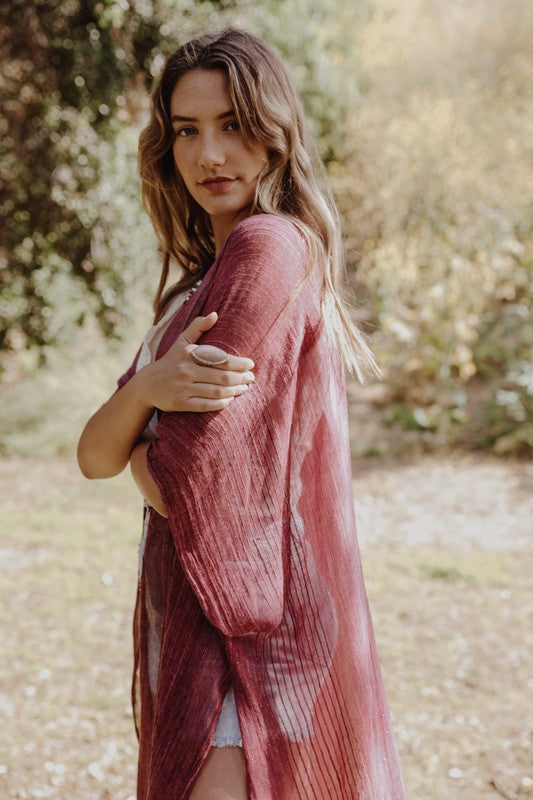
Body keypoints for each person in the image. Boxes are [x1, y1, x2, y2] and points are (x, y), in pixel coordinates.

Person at [77, 27, 408, 800]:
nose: (208, 154)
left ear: (275, 133)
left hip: (247, 629)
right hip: (198, 609)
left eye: (231, 124)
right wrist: (145, 394)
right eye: (186, 131)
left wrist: (139, 443)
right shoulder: (197, 284)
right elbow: (92, 454)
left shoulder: (268, 248)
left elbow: (196, 487)